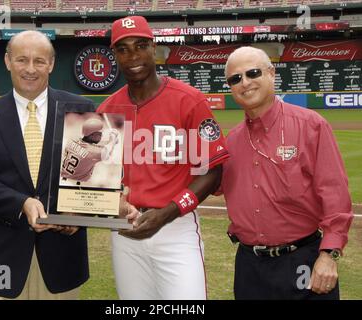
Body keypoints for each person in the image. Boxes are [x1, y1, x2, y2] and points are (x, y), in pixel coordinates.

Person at [97, 16, 230, 299]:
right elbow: (96, 180)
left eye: (140, 45)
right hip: (125, 229)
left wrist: (168, 212)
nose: (133, 56)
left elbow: (212, 170)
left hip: (175, 227)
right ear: (115, 56)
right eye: (123, 49)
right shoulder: (107, 109)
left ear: (153, 48)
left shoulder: (188, 100)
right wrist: (114, 203)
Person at [0, 30, 95, 300]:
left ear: (51, 64)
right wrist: (21, 203)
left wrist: (79, 217)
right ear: (7, 61)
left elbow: (93, 178)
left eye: (39, 61)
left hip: (62, 257)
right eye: (22, 60)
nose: (30, 69)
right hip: (3, 257)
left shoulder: (80, 110)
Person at [221, 46, 354, 300]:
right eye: (235, 79)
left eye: (252, 73)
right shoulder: (232, 140)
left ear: (271, 73)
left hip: (303, 258)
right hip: (250, 266)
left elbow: (334, 193)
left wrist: (329, 255)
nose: (245, 83)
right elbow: (209, 181)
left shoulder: (311, 125)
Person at [61, 117, 119, 183]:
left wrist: (111, 141)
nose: (102, 136)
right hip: (75, 185)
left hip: (62, 180)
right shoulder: (93, 152)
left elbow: (94, 147)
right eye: (100, 134)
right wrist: (113, 139)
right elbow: (107, 156)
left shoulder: (72, 140)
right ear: (92, 135)